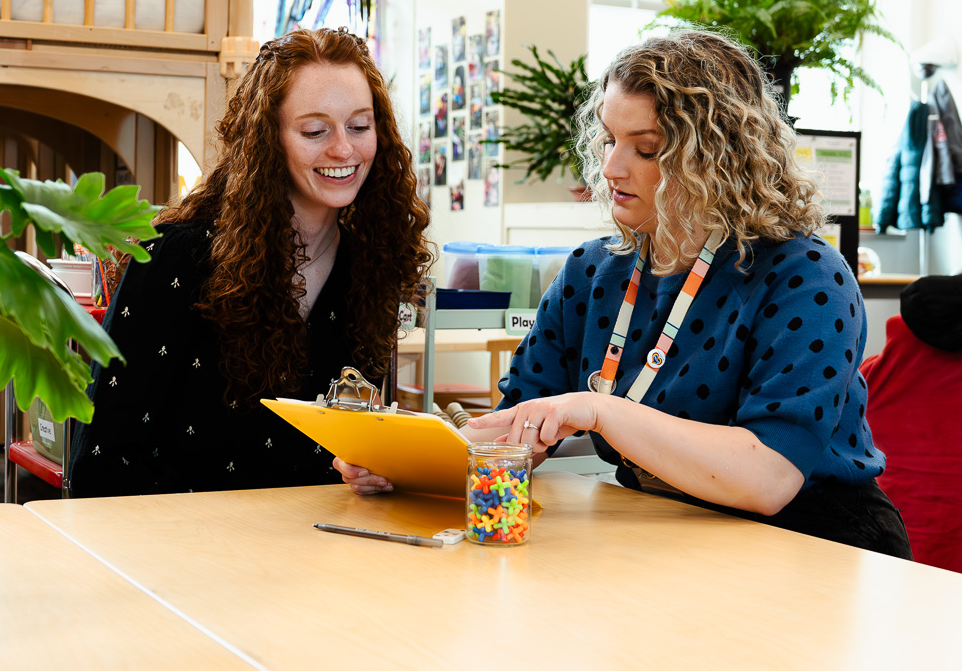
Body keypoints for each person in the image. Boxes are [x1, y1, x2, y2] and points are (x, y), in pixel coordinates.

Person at [336, 30, 912, 558]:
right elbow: (519, 427)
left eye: (646, 147)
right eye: (610, 138)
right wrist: (406, 460)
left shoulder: (807, 275)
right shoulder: (593, 272)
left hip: (815, 543)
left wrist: (601, 411)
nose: (611, 165)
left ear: (717, 157)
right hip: (669, 537)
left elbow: (768, 480)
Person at [70, 28, 432, 496]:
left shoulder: (371, 265)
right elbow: (102, 466)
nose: (344, 149)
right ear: (268, 140)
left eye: (360, 126)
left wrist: (374, 471)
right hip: (179, 551)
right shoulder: (174, 257)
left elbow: (347, 455)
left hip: (319, 548)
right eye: (315, 131)